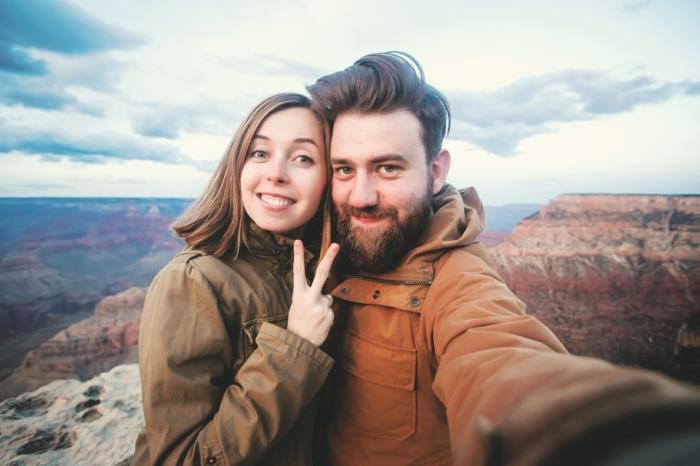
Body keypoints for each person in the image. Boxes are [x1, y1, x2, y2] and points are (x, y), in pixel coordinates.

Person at [307, 52, 700, 466]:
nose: (362, 196)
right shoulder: (321, 252)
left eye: (388, 168)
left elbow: (499, 358)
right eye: (345, 170)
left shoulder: (457, 280)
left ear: (436, 170)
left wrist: (605, 438)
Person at [133, 93, 340, 465]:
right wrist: (294, 347)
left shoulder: (320, 270)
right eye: (259, 153)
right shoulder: (192, 282)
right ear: (237, 165)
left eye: (303, 158)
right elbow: (179, 459)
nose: (276, 172)